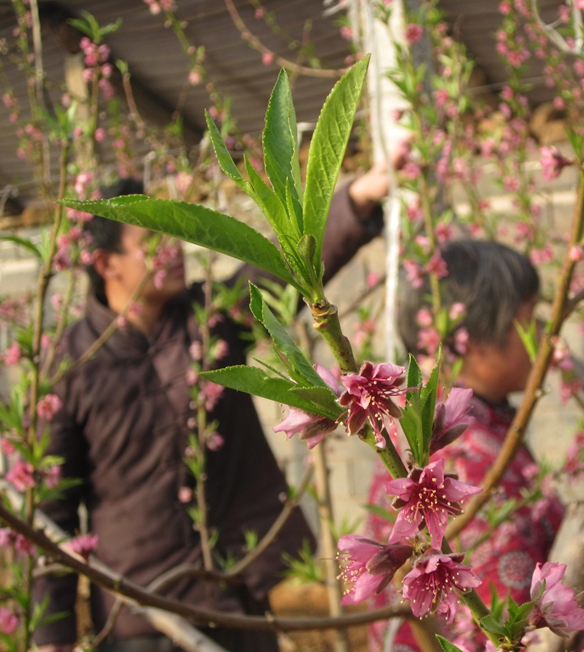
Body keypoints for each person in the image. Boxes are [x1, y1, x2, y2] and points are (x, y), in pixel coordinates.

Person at [34, 166, 393, 652]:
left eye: (174, 234)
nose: (175, 250)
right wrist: (51, 636)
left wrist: (358, 199)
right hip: (143, 612)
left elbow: (282, 272)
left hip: (240, 595)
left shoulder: (211, 318)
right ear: (105, 263)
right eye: (153, 243)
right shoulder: (71, 368)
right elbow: (51, 511)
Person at [368, 240, 584, 652]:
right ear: (473, 341)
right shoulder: (462, 465)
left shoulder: (430, 425)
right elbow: (516, 630)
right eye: (528, 321)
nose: (544, 338)